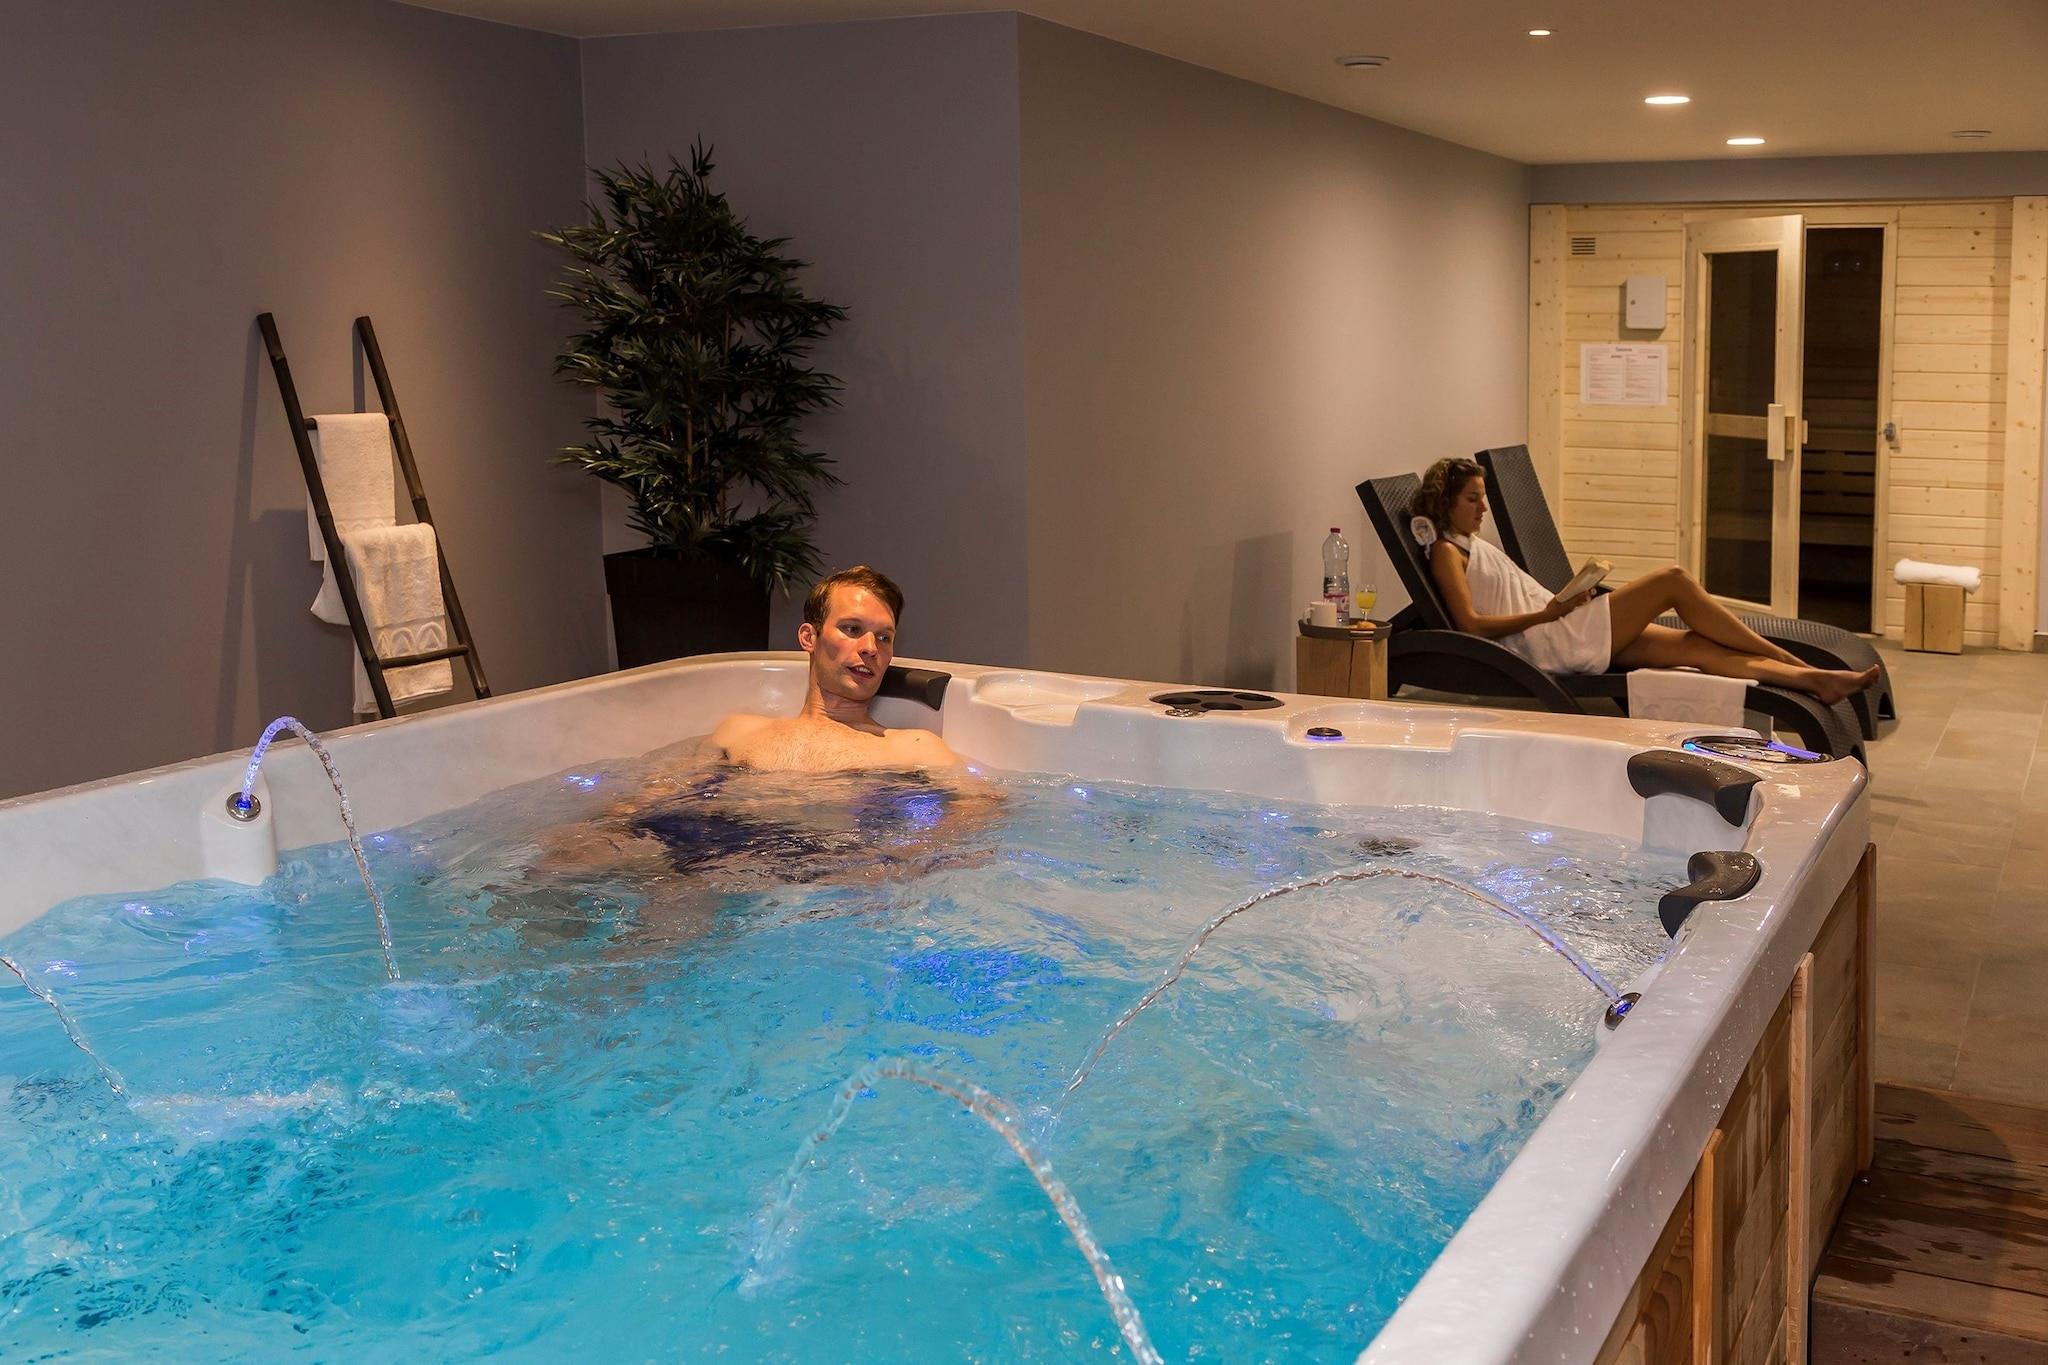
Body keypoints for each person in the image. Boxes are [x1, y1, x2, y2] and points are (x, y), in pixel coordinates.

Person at [1413, 457, 1879, 706]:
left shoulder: (1469, 543)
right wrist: (1551, 612)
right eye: (1472, 499)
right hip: (1552, 641)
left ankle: (1814, 679)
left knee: (1697, 648)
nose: (1483, 508)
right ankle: (1783, 656)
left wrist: (1568, 598)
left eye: (1483, 498)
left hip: (1561, 625)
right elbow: (1470, 626)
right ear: (1446, 502)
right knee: (1672, 580)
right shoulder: (1446, 553)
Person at [705, 565, 965, 773]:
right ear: (809, 637)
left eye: (884, 637)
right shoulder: (737, 733)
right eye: (852, 629)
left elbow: (973, 812)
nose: (871, 648)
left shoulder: (917, 751)